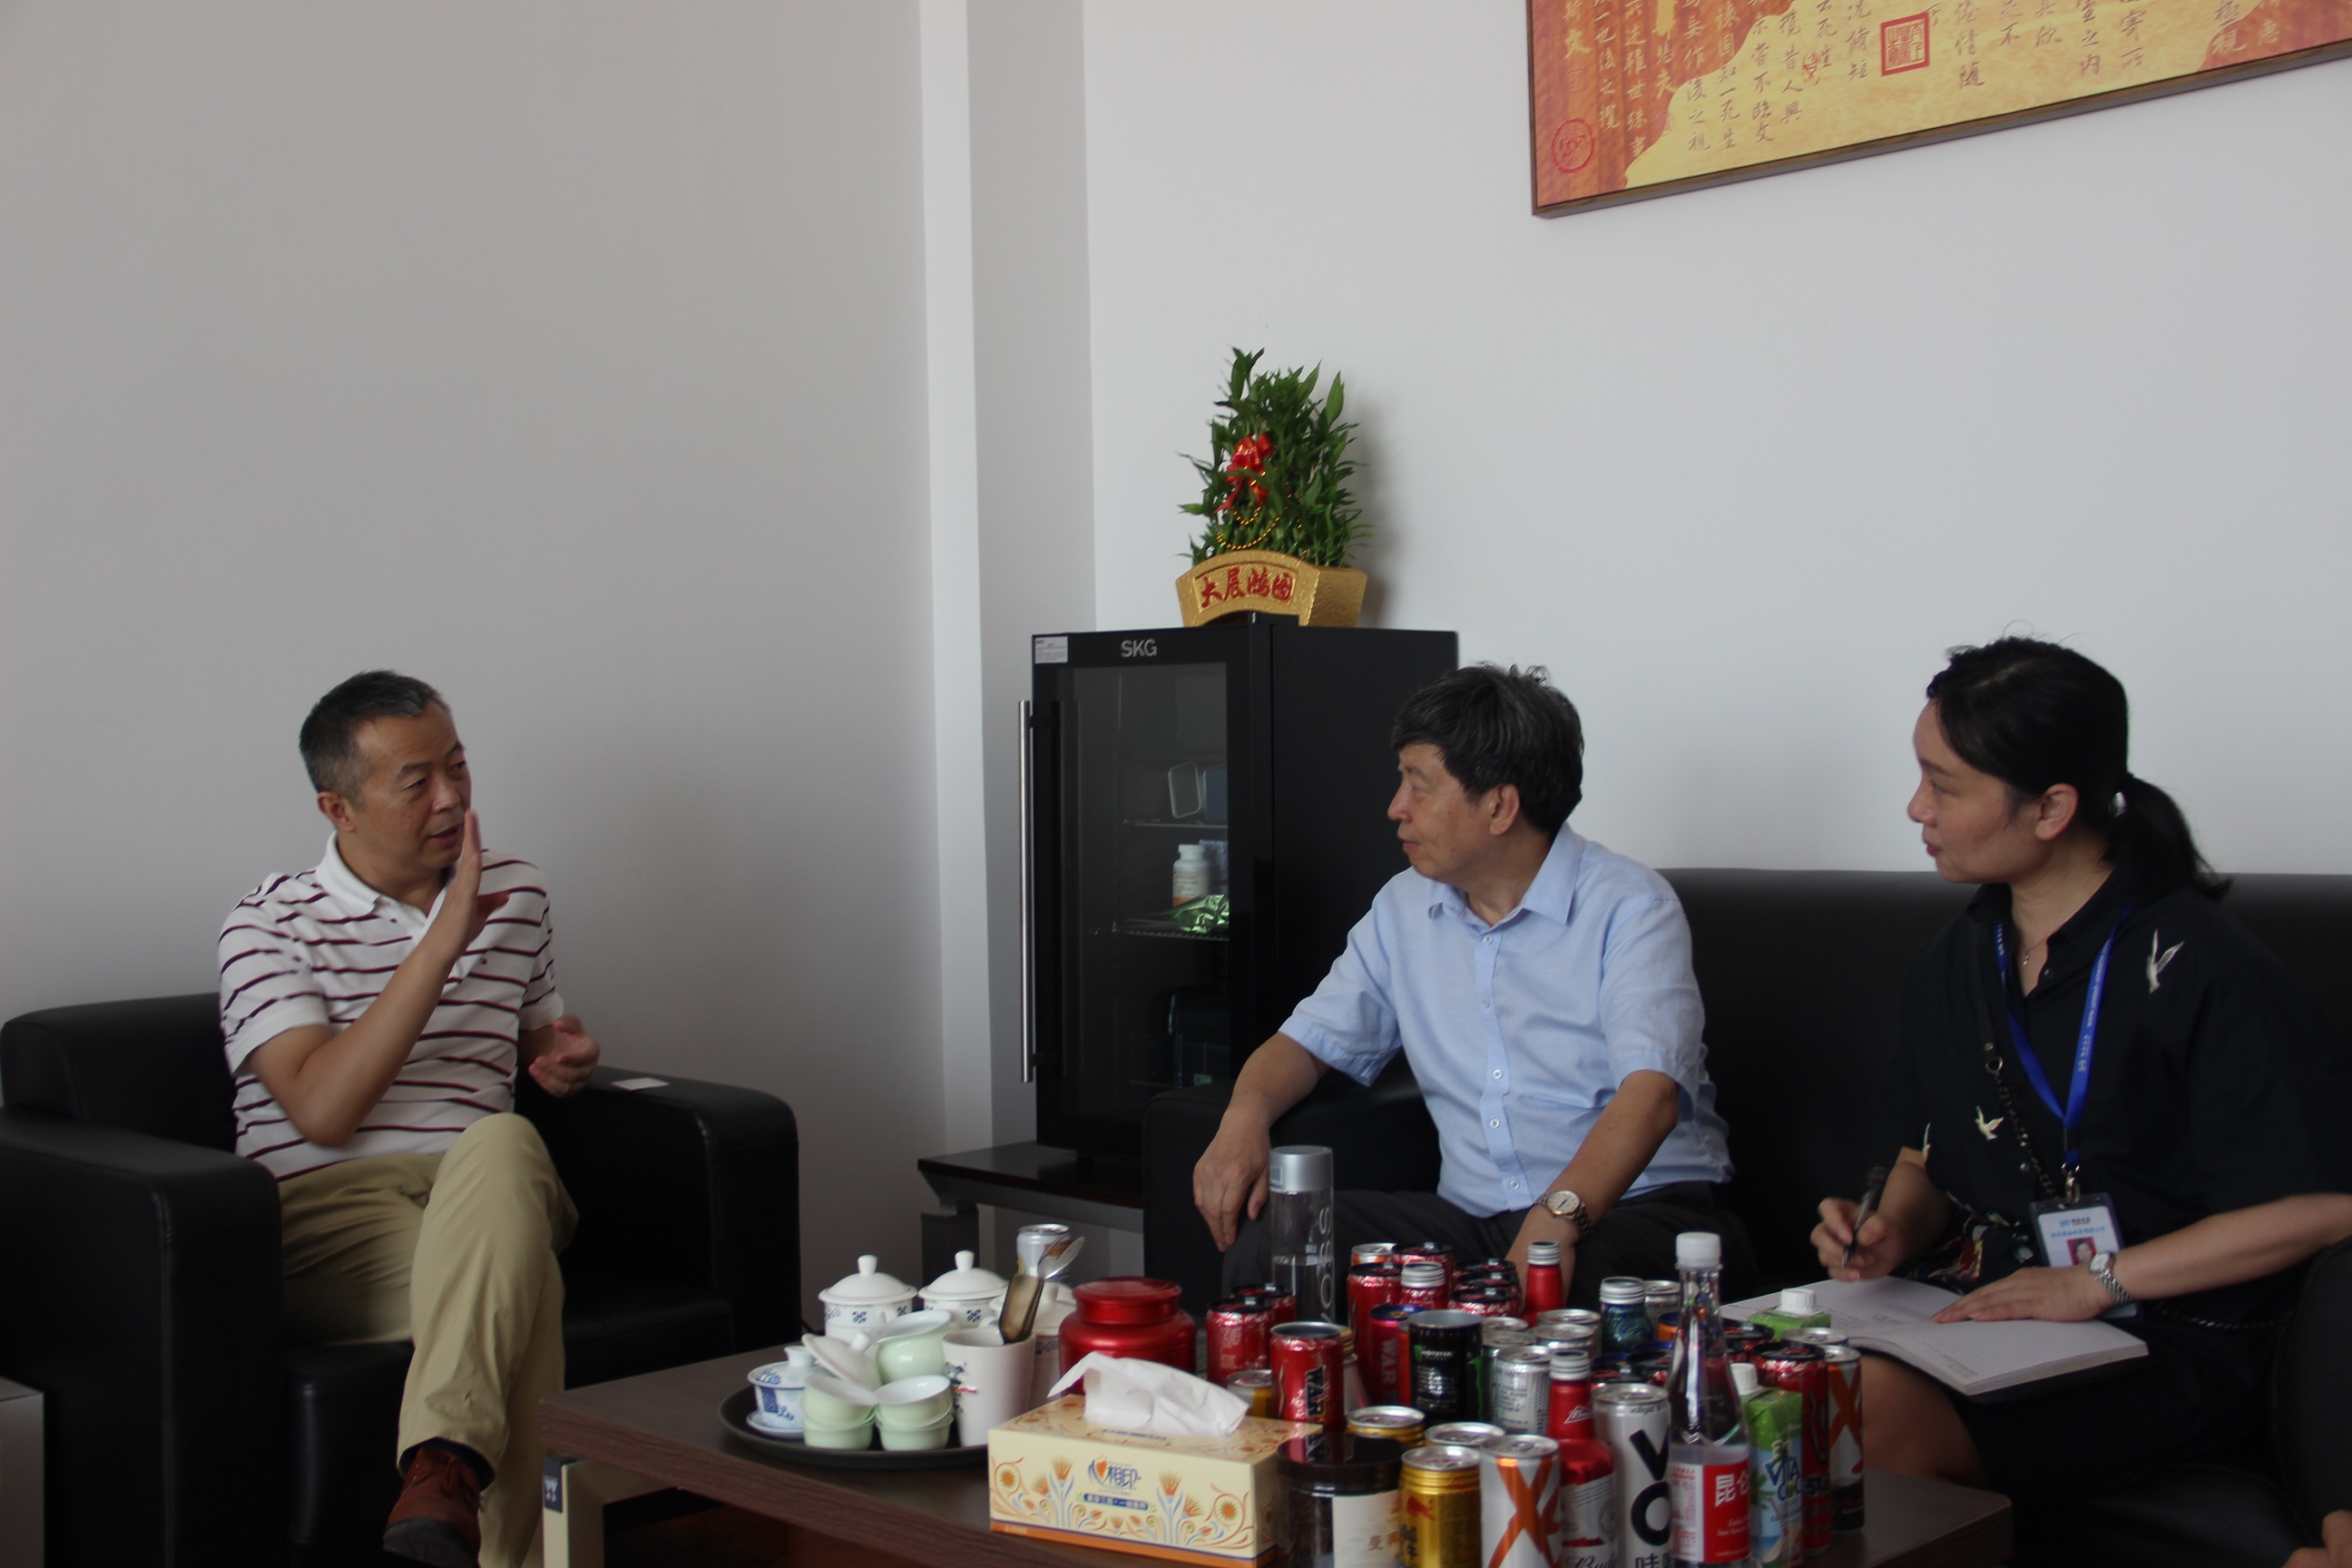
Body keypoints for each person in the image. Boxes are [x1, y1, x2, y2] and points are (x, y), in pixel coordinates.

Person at [1813, 637, 2352, 1499]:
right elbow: (1926, 1155)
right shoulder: (1954, 959)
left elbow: (2321, 1207)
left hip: (2164, 1329)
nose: (1917, 808)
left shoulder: (2199, 965)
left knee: (1860, 1412)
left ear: (2052, 808)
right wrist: (1890, 1233)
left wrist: (2096, 1281)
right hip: (1992, 1308)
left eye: (1943, 785)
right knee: (1760, 1375)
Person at [1195, 663, 1741, 1307]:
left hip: (1635, 1210)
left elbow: (1651, 1097)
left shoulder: (1630, 907)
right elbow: (1307, 1044)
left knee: (1570, 1290)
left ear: (1500, 806)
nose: (1396, 807)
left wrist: (1555, 1223)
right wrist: (1244, 1117)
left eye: (1419, 785)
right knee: (1278, 1239)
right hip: (1474, 1221)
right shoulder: (1403, 908)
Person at [220, 671, 600, 1568]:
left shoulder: (518, 890)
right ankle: (472, 1508)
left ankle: (442, 1475)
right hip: (328, 1213)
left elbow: (542, 1034)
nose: (451, 799)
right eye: (417, 781)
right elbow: (323, 1110)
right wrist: (441, 940)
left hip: (484, 1185)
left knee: (503, 1139)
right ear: (339, 808)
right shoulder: (268, 925)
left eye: (458, 767)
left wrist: (568, 1056)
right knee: (525, 1291)